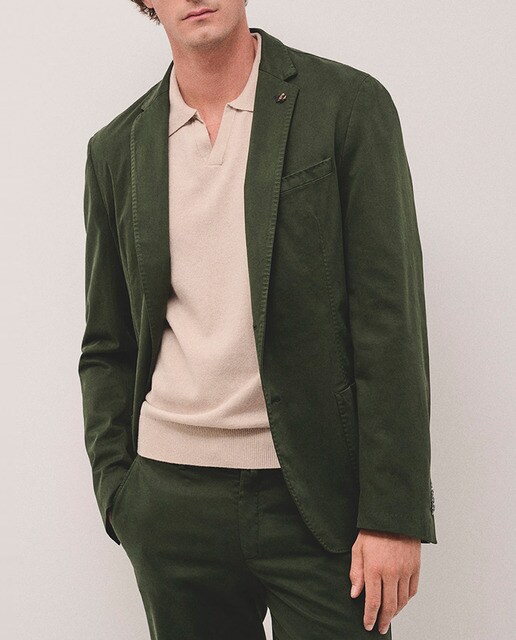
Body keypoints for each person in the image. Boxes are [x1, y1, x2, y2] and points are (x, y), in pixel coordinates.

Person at [78, 1, 437, 638]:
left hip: (320, 503)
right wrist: (120, 496)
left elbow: (389, 323)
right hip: (171, 504)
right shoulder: (116, 150)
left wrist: (393, 514)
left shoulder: (348, 107)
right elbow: (108, 343)